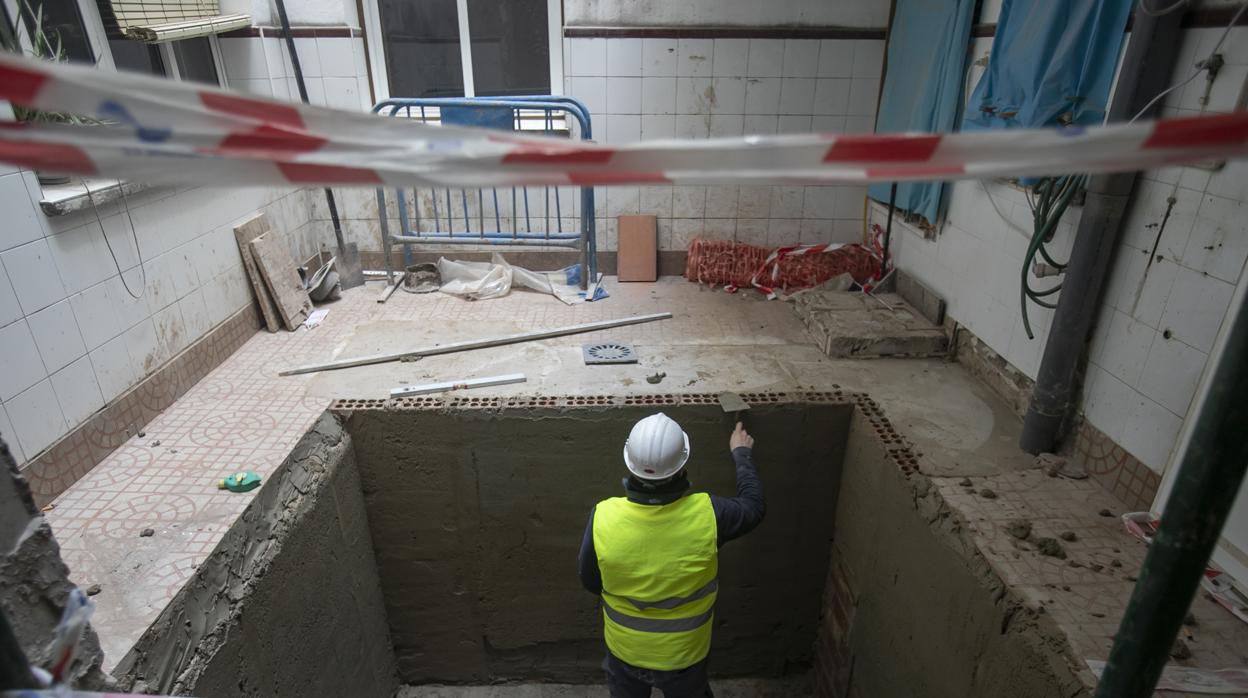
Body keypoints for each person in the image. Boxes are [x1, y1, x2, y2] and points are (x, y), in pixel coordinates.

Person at [577, 413, 765, 697]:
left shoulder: (603, 516)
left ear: (629, 462)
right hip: (684, 657)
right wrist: (741, 453)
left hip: (625, 653)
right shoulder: (709, 515)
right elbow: (753, 507)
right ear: (682, 464)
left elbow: (590, 581)